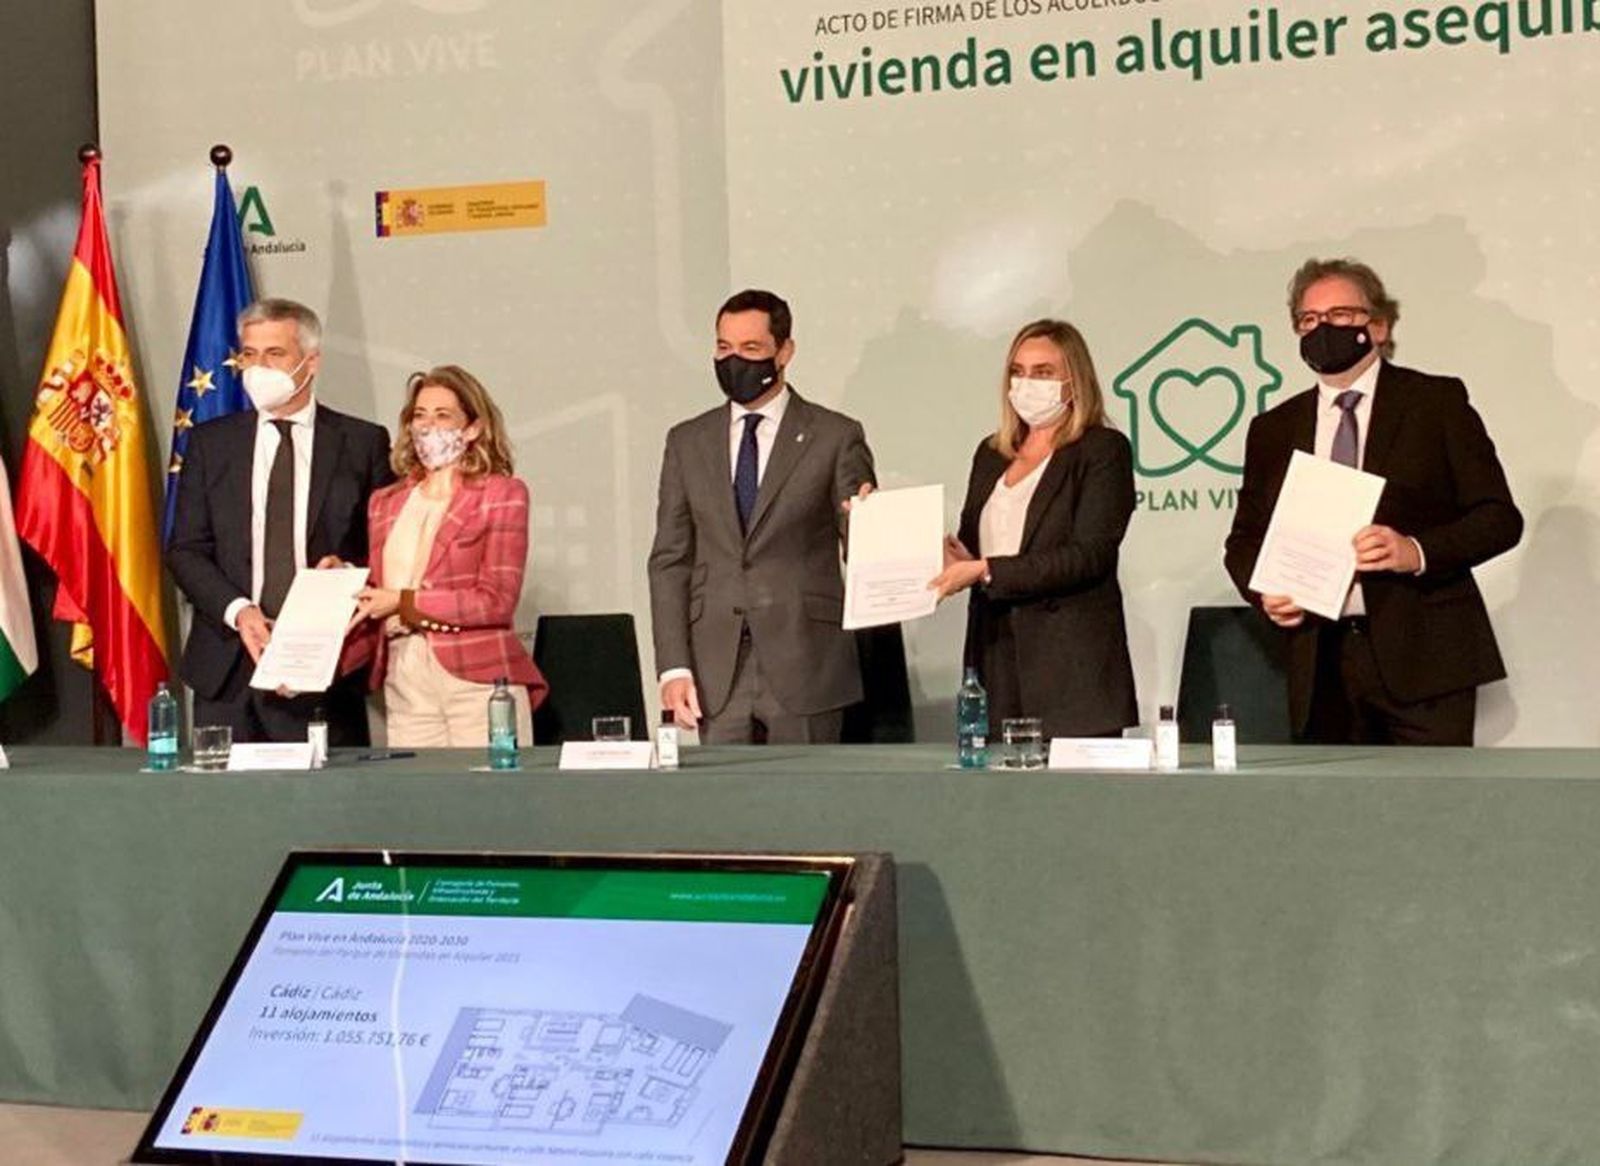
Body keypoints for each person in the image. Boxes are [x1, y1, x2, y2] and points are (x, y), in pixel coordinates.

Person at [1224, 258, 1522, 745]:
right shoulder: (1273, 428)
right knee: (1334, 819)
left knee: (1432, 814)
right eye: (1309, 320)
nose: (1324, 329)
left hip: (1424, 658)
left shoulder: (1436, 402)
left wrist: (1415, 551)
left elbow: (1498, 518)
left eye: (1340, 315)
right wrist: (1265, 593)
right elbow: (1244, 540)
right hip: (1319, 662)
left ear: (1379, 325)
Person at [648, 289, 876, 744]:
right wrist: (674, 667)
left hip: (806, 663)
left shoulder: (835, 435)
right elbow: (670, 559)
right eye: (723, 348)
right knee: (722, 809)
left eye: (751, 349)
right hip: (716, 671)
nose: (735, 361)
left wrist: (869, 526)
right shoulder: (686, 441)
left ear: (784, 351)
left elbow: (863, 546)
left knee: (806, 809)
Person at [167, 298, 394, 745]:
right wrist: (240, 612)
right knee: (231, 813)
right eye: (249, 355)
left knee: (330, 811)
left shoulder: (362, 442)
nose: (258, 368)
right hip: (228, 670)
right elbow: (186, 548)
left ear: (311, 362)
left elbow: (386, 546)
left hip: (326, 668)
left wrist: (348, 573)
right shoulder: (211, 445)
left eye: (275, 354)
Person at [932, 319, 1138, 739]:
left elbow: (1089, 555)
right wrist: (950, 555)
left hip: (1071, 671)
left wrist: (986, 569)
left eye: (1043, 372)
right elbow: (974, 546)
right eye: (1018, 371)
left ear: (1073, 380)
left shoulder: (1102, 450)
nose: (1026, 383)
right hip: (995, 658)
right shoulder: (991, 453)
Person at [341, 365, 548, 747]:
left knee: (489, 804)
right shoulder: (385, 503)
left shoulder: (502, 494)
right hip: (404, 677)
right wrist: (341, 579)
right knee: (420, 803)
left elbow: (496, 601)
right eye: (419, 415)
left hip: (478, 680)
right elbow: (376, 593)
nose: (427, 426)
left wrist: (404, 603)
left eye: (442, 416)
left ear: (472, 428)